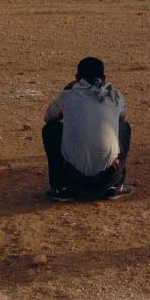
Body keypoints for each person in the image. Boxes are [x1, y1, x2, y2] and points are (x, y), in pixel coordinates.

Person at [42, 57, 133, 201]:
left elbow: (48, 118)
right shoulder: (115, 95)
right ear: (104, 78)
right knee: (123, 127)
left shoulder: (68, 95)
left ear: (77, 78)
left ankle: (60, 188)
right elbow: (123, 117)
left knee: (51, 129)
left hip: (72, 177)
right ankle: (117, 185)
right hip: (109, 177)